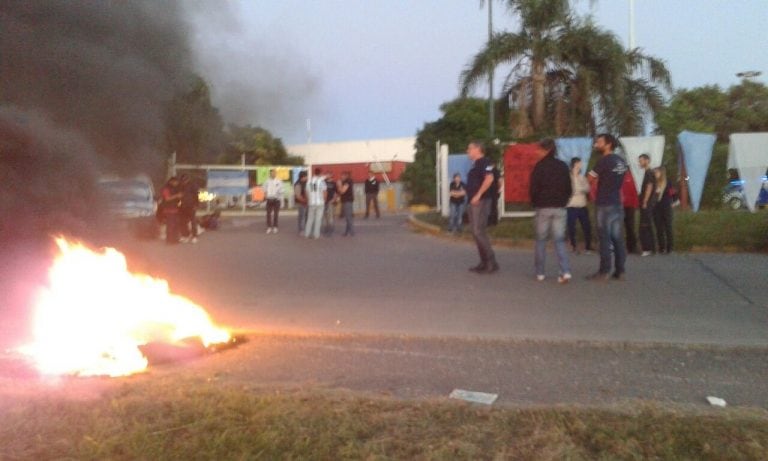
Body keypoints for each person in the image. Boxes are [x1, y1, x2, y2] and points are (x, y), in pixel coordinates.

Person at [530, 139, 572, 283]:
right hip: (560, 207)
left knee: (541, 240)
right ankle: (565, 271)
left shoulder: (539, 167)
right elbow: (569, 188)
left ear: (546, 150)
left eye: (539, 149)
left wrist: (535, 203)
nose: (537, 152)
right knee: (559, 240)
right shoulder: (563, 166)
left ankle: (540, 273)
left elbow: (533, 189)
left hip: (543, 207)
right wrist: (564, 201)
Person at [587, 133, 628, 281]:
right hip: (617, 203)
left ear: (608, 144)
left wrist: (593, 185)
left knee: (604, 238)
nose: (597, 144)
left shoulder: (603, 161)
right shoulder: (621, 161)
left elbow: (590, 178)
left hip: (604, 203)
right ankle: (620, 270)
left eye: (599, 142)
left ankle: (604, 271)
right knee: (617, 238)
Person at [465, 141, 499, 274]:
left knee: (479, 232)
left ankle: (491, 262)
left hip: (482, 202)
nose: (467, 151)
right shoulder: (476, 165)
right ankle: (484, 261)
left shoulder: (485, 162)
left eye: (469, 148)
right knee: (476, 232)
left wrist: (478, 195)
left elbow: (489, 178)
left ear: (477, 149)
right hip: (474, 202)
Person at [566, 157, 593, 254]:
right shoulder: (568, 177)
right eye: (579, 163)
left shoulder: (582, 177)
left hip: (582, 205)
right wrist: (579, 189)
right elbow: (570, 190)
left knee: (587, 227)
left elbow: (587, 188)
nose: (581, 165)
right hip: (571, 205)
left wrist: (579, 189)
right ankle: (573, 246)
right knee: (571, 227)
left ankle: (588, 247)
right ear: (575, 164)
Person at [638, 154, 657, 256]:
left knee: (644, 226)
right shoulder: (648, 173)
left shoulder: (649, 173)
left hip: (647, 203)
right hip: (647, 203)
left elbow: (649, 187)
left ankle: (647, 248)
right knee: (648, 225)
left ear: (647, 161)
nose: (639, 163)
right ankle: (651, 248)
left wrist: (645, 201)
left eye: (641, 160)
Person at [653, 166, 674, 254]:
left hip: (666, 206)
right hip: (656, 207)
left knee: (668, 227)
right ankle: (661, 247)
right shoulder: (654, 183)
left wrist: (673, 202)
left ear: (661, 173)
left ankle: (670, 247)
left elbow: (673, 193)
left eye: (656, 172)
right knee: (659, 228)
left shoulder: (668, 182)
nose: (655, 174)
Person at [304, 168, 327, 239]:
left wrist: (309, 200)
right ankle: (316, 235)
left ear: (314, 173)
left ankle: (307, 234)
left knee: (310, 219)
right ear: (320, 173)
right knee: (318, 219)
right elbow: (324, 192)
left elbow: (307, 192)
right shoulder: (321, 181)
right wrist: (324, 200)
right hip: (320, 203)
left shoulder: (309, 181)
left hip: (311, 202)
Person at [160, 176, 183, 244]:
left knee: (175, 225)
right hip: (169, 210)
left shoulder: (175, 188)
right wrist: (176, 196)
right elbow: (167, 198)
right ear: (172, 182)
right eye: (176, 182)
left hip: (175, 209)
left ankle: (175, 239)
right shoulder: (166, 189)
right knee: (170, 225)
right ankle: (169, 240)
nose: (177, 183)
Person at [621, 170, 639, 255]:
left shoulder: (629, 176)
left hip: (630, 206)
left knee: (630, 226)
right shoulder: (616, 176)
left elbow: (634, 191)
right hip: (619, 205)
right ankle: (619, 247)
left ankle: (632, 247)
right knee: (618, 227)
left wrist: (635, 204)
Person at [179, 174, 199, 243]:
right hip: (183, 206)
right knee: (183, 221)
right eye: (182, 180)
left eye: (185, 180)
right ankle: (185, 235)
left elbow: (196, 195)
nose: (183, 182)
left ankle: (194, 236)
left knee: (193, 221)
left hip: (191, 206)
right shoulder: (181, 186)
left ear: (188, 179)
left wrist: (196, 205)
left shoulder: (192, 185)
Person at [264, 169, 284, 234]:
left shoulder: (279, 181)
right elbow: (264, 190)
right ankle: (269, 227)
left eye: (274, 173)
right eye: (271, 173)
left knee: (276, 214)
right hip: (269, 200)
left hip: (276, 200)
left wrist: (279, 195)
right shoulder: (267, 181)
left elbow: (282, 190)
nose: (272, 174)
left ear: (275, 173)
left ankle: (275, 227)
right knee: (268, 214)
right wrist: (266, 196)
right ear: (269, 174)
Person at [338, 171, 355, 236]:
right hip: (346, 200)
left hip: (347, 201)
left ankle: (351, 232)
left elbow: (342, 191)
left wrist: (339, 185)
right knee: (348, 217)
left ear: (346, 176)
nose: (341, 177)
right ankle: (347, 232)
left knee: (348, 217)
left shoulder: (348, 181)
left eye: (342, 175)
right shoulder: (347, 181)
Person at [322, 172, 338, 236]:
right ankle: (326, 229)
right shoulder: (323, 182)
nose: (327, 176)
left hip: (331, 202)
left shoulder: (334, 183)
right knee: (325, 217)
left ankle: (330, 230)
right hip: (324, 202)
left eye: (328, 174)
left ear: (331, 175)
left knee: (330, 217)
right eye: (326, 174)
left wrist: (334, 199)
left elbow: (336, 193)